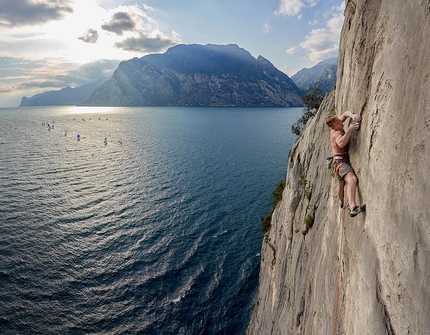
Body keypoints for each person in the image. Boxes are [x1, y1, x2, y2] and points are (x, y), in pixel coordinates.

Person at [325, 111, 365, 217]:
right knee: (352, 179)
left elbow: (345, 114)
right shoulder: (336, 133)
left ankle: (342, 203)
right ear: (333, 127)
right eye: (338, 123)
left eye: (339, 121)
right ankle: (353, 207)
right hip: (340, 162)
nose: (341, 123)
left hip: (337, 162)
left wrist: (352, 116)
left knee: (341, 184)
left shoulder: (336, 124)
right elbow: (341, 142)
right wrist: (350, 130)